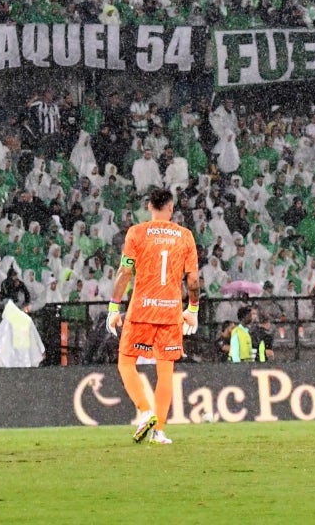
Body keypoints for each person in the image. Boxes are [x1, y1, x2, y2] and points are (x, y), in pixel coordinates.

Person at [105, 186, 199, 445]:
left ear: (149, 206)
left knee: (126, 363)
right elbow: (192, 280)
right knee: (165, 371)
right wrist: (193, 309)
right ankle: (159, 431)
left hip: (141, 309)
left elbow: (124, 273)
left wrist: (114, 307)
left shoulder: (136, 233)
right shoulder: (185, 236)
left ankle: (145, 411)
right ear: (171, 208)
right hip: (170, 312)